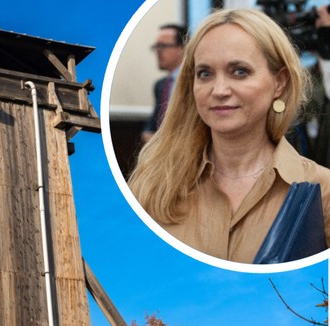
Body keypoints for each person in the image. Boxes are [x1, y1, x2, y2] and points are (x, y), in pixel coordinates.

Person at [129, 8, 330, 264]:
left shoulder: (322, 191)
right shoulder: (152, 185)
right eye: (205, 73)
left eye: (240, 72)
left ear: (279, 82)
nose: (219, 90)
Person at [142, 24, 187, 143]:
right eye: (156, 46)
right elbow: (151, 126)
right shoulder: (160, 85)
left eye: (163, 46)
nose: (158, 52)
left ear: (182, 48)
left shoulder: (195, 82)